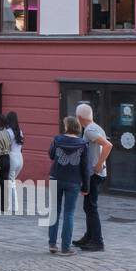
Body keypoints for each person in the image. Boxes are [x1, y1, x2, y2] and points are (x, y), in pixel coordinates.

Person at [47, 117, 90, 255]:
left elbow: (52, 155)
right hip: (73, 181)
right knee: (69, 213)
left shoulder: (57, 140)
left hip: (56, 178)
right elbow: (85, 167)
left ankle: (52, 244)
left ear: (67, 126)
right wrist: (86, 187)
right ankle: (66, 248)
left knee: (55, 211)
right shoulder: (83, 144)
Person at [73, 102, 112, 252]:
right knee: (88, 207)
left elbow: (108, 145)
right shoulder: (95, 127)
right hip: (97, 173)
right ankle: (89, 237)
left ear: (79, 117)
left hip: (94, 175)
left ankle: (97, 241)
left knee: (91, 208)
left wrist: (98, 164)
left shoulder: (90, 130)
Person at [6, 111, 25, 212]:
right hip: (20, 158)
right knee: (11, 182)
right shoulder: (20, 131)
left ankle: (12, 205)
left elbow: (6, 147)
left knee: (10, 182)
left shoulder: (8, 132)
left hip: (12, 157)